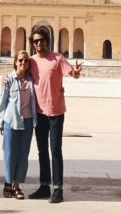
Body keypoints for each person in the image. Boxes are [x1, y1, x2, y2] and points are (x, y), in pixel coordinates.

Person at [27, 25, 82, 204]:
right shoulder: (32, 61)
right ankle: (44, 186)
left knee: (55, 150)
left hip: (56, 112)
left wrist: (76, 72)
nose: (38, 44)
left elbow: (72, 73)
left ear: (47, 41)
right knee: (42, 151)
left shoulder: (57, 58)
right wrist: (5, 78)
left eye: (41, 40)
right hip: (39, 113)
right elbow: (20, 72)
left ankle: (58, 189)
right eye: (35, 41)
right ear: (32, 44)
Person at [0, 50, 38, 199]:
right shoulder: (8, 79)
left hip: (27, 122)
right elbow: (3, 102)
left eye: (26, 61)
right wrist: (0, 122)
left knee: (23, 156)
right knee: (10, 154)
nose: (23, 63)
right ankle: (8, 183)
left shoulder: (31, 79)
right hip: (11, 121)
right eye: (20, 60)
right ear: (15, 62)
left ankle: (17, 186)